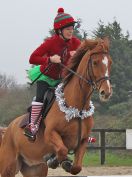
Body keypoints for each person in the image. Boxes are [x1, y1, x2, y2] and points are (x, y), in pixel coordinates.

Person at [24, 7, 96, 144]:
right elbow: (32, 58)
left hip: (62, 79)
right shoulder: (50, 43)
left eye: (72, 29)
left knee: (75, 98)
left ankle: (82, 133)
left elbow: (86, 60)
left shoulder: (76, 42)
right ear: (59, 30)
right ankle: (32, 126)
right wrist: (49, 59)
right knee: (41, 97)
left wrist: (78, 57)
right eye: (68, 29)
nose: (71, 31)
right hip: (46, 76)